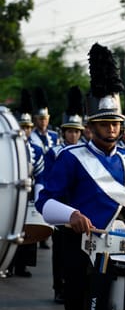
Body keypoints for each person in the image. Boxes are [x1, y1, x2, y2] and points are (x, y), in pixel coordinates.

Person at [35, 43, 125, 310]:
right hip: (77, 251)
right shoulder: (70, 157)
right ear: (90, 126)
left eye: (115, 123)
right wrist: (71, 215)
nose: (112, 129)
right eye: (105, 123)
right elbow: (44, 203)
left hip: (116, 252)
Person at [44, 86, 84, 304]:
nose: (74, 135)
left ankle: (73, 286)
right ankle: (58, 287)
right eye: (70, 131)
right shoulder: (54, 152)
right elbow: (50, 179)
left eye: (77, 131)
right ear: (63, 132)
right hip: (61, 207)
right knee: (59, 251)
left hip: (78, 207)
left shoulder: (86, 152)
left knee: (77, 253)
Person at [8, 89, 45, 277]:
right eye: (22, 127)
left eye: (28, 127)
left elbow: (41, 175)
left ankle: (22, 266)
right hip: (13, 193)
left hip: (29, 194)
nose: (26, 130)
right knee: (11, 226)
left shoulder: (37, 150)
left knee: (28, 230)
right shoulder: (10, 148)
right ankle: (8, 263)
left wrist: (38, 198)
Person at [30, 87, 59, 249]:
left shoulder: (54, 136)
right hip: (38, 176)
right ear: (35, 119)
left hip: (52, 175)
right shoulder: (31, 136)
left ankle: (48, 232)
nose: (43, 122)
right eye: (40, 119)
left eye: (45, 118)